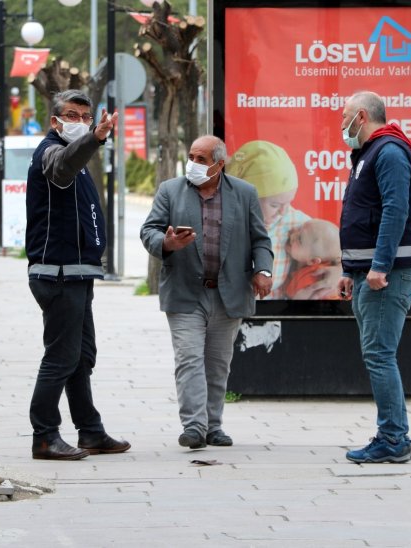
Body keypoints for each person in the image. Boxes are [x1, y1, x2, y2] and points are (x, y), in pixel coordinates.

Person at [140, 135, 273, 449]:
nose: (194, 164)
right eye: (192, 157)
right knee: (189, 360)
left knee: (217, 364)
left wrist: (263, 270)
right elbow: (149, 230)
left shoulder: (244, 193)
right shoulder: (170, 190)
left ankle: (214, 426)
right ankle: (194, 427)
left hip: (228, 294)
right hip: (185, 292)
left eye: (202, 159)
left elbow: (261, 240)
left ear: (219, 164)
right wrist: (166, 244)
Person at [25, 90, 130, 460]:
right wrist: (95, 137)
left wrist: (91, 141)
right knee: (61, 356)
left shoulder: (81, 157)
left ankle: (90, 431)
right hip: (57, 274)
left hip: (78, 273)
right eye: (72, 115)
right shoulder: (50, 153)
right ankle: (44, 435)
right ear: (55, 121)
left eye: (86, 117)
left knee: (82, 356)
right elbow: (62, 165)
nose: (80, 123)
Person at [336, 91, 411, 464]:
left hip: (388, 276)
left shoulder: (387, 152)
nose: (342, 125)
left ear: (362, 115)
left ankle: (393, 438)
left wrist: (380, 267)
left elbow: (395, 210)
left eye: (345, 117)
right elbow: (362, 215)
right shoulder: (369, 154)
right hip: (367, 274)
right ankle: (393, 435)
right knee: (378, 354)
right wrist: (349, 270)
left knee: (379, 355)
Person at [226, 140, 340, 300]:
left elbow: (329, 244)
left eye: (288, 202)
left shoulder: (292, 222)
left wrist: (340, 271)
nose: (282, 211)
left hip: (272, 315)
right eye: (274, 204)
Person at [284, 219, 342, 299]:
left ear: (313, 261)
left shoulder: (311, 279)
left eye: (300, 239)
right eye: (299, 228)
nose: (293, 233)